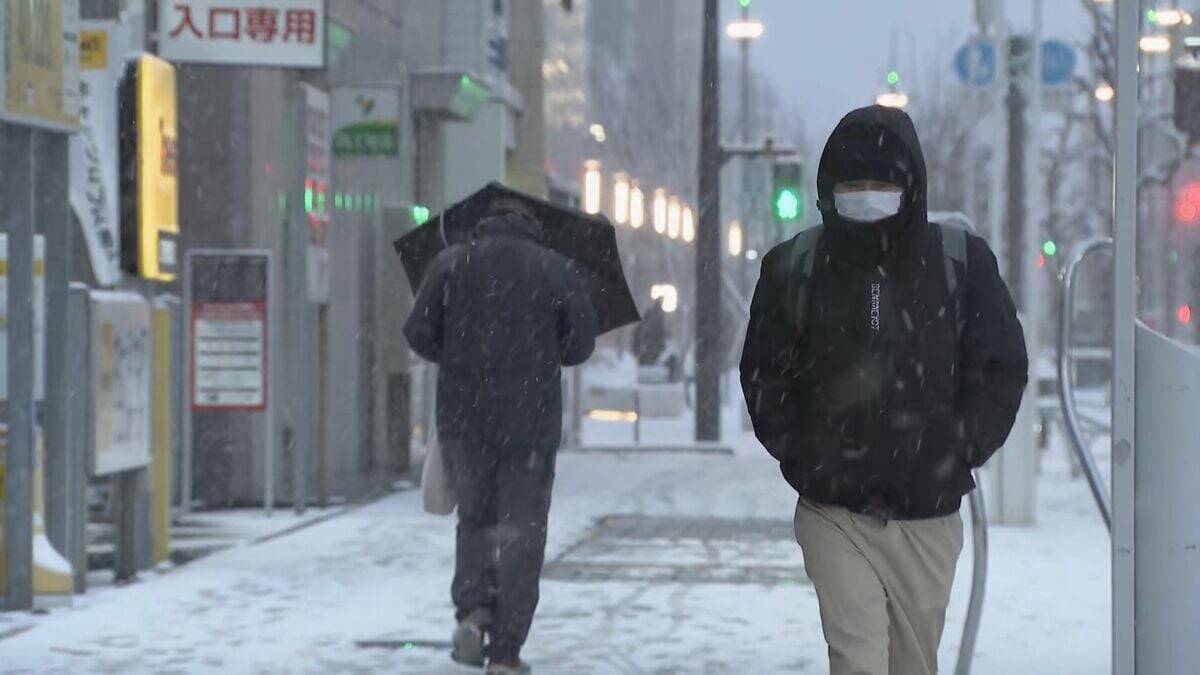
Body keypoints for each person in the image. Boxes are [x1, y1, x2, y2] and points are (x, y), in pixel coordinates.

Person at [740, 105, 1028, 675]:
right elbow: (764, 374)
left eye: (881, 184)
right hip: (834, 513)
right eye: (851, 185)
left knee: (913, 665)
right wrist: (808, 453)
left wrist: (957, 447)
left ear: (911, 187)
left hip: (927, 518)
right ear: (829, 190)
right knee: (859, 660)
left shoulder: (960, 264)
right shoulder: (794, 267)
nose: (866, 197)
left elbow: (1001, 368)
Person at [404, 198, 598, 675]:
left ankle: (472, 612)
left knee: (473, 522)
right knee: (522, 536)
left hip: (464, 422)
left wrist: (458, 350)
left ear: (485, 224)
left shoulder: (451, 263)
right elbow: (580, 344)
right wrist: (544, 344)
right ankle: (506, 651)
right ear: (531, 227)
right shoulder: (554, 269)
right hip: (530, 428)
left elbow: (418, 333)